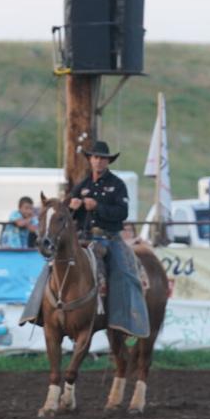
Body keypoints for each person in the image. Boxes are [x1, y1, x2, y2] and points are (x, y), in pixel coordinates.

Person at [66, 141, 149, 337]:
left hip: (110, 238)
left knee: (124, 273)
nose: (99, 161)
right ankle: (45, 313)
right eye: (95, 157)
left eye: (103, 158)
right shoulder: (82, 185)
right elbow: (68, 215)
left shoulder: (117, 185)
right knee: (55, 265)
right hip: (84, 238)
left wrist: (97, 206)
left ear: (108, 161)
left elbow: (122, 213)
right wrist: (72, 207)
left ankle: (128, 320)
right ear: (90, 160)